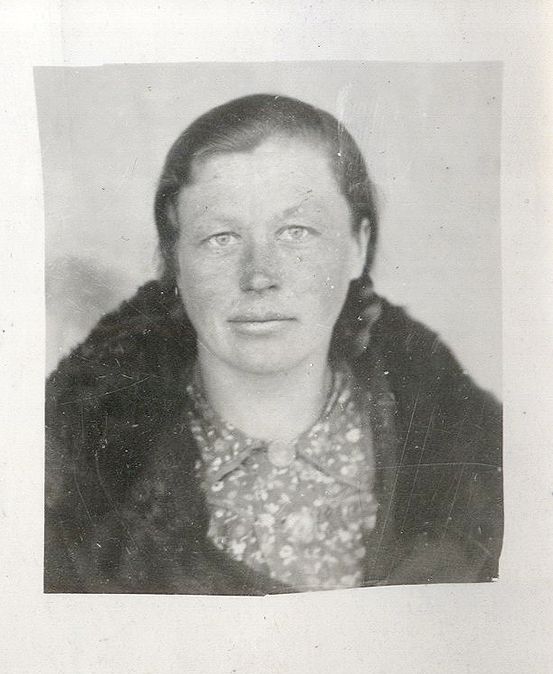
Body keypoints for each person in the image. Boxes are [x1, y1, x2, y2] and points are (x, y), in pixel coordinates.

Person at [45, 93, 503, 594]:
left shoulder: (479, 461)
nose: (259, 275)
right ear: (175, 261)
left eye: (296, 231)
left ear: (358, 245)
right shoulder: (65, 488)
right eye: (221, 237)